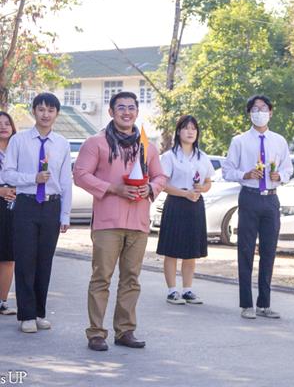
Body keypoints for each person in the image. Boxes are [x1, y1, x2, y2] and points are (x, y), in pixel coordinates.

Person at [74, 92, 167, 351]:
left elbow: (161, 177)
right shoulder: (96, 143)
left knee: (131, 279)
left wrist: (150, 188)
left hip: (138, 222)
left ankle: (125, 331)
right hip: (108, 222)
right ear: (111, 112)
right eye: (121, 107)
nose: (127, 112)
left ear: (137, 112)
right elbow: (80, 174)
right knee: (101, 277)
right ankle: (96, 333)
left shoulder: (147, 145)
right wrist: (112, 189)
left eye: (131, 108)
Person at [2, 93, 72, 333]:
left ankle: (40, 312)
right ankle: (26, 315)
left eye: (50, 110)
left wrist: (65, 215)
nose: (45, 114)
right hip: (26, 204)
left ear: (56, 114)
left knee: (44, 261)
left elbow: (66, 181)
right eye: (41, 109)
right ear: (34, 111)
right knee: (25, 260)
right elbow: (8, 174)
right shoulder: (19, 140)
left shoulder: (62, 143)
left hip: (51, 206)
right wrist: (32, 178)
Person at [222, 95, 293, 320]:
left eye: (263, 108)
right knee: (245, 250)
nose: (259, 112)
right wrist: (246, 174)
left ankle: (265, 303)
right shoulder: (240, 141)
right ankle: (247, 304)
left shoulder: (279, 140)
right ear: (249, 113)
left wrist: (278, 175)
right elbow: (227, 170)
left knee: (269, 251)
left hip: (271, 199)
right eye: (255, 109)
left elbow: (288, 169)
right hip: (250, 197)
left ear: (271, 112)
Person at [158, 115, 214, 304]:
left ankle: (188, 290)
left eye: (194, 128)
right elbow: (162, 184)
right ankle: (172, 290)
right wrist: (184, 194)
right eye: (186, 128)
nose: (190, 132)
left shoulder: (202, 156)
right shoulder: (169, 156)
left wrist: (201, 189)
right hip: (176, 203)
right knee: (172, 249)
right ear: (178, 131)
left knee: (191, 250)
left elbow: (208, 181)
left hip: (195, 205)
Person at [0, 111, 17, 316]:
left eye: (7, 123)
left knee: (8, 256)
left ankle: (2, 301)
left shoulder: (18, 150)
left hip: (13, 206)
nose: (3, 126)